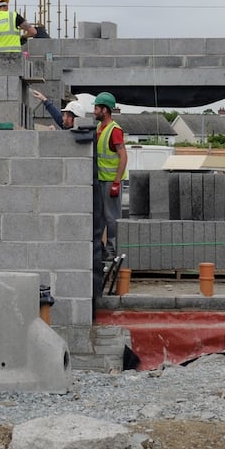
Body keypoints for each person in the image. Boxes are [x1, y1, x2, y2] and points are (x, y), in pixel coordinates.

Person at [91, 91, 128, 302]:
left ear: (105, 110)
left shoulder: (114, 131)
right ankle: (105, 252)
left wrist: (116, 182)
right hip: (102, 180)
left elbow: (123, 156)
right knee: (102, 218)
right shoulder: (99, 127)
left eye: (97, 107)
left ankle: (113, 254)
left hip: (110, 181)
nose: (94, 110)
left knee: (112, 219)